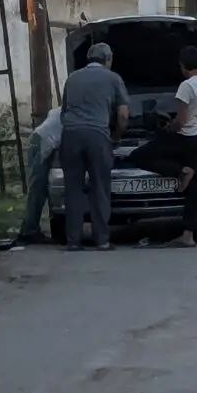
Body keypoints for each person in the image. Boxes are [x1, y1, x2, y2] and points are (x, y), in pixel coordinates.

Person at [121, 45, 197, 247]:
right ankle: (188, 235)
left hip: (184, 137)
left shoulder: (187, 86)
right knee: (194, 190)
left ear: (183, 66)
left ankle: (181, 171)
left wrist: (167, 128)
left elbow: (181, 122)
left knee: (139, 155)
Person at [60, 41, 128, 251]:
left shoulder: (72, 79)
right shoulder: (113, 78)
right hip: (98, 135)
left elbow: (63, 112)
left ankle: (73, 241)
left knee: (73, 189)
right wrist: (115, 136)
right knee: (99, 188)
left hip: (70, 135)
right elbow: (123, 115)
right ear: (108, 59)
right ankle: (102, 240)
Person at [16, 102, 63, 244]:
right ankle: (29, 232)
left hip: (38, 138)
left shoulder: (61, 110)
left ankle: (29, 228)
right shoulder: (73, 114)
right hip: (42, 142)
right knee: (38, 188)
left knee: (38, 187)